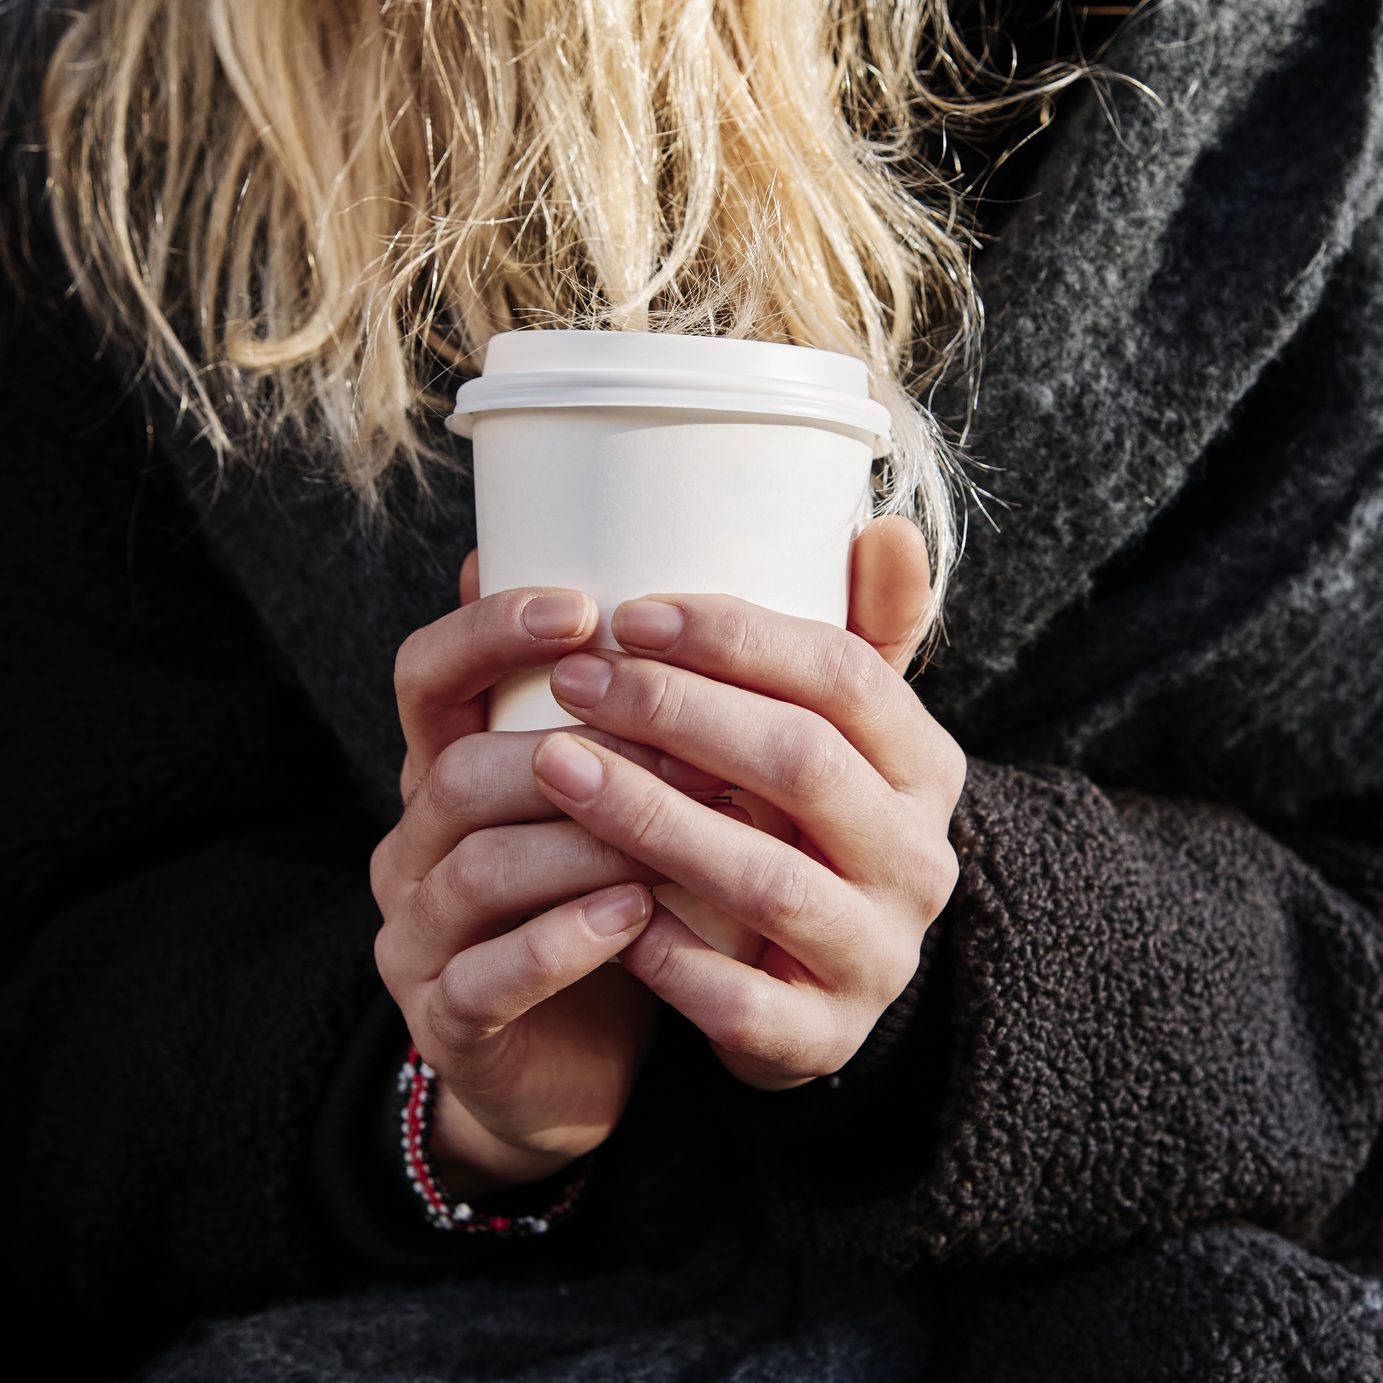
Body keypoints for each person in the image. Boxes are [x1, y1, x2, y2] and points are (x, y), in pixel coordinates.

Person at [3, 1, 1381, 1379]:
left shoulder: (1329, 93)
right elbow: (75, 964)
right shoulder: (148, 98)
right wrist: (445, 1106)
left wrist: (942, 973)